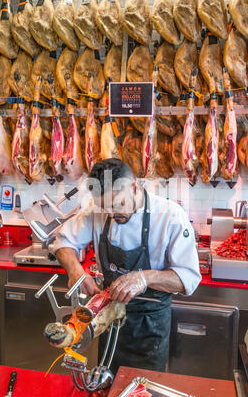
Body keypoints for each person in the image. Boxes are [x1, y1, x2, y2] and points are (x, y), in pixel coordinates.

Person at [53, 158, 201, 374]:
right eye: (106, 207)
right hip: (108, 323)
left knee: (142, 392)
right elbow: (63, 241)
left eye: (117, 204)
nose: (111, 214)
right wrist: (75, 270)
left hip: (149, 327)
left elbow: (188, 278)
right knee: (106, 385)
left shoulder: (170, 215)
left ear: (134, 187)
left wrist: (144, 278)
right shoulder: (98, 211)